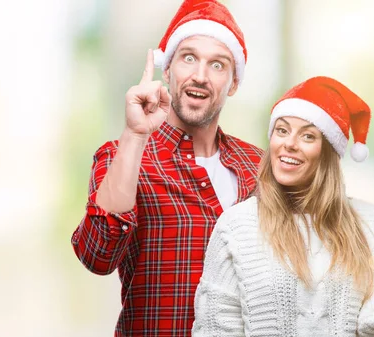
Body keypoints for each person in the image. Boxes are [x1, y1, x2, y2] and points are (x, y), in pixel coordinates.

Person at [70, 0, 263, 335]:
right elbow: (97, 255)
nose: (200, 76)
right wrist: (134, 134)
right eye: (189, 58)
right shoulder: (122, 155)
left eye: (217, 65)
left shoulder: (258, 165)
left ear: (233, 83)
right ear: (168, 69)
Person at [192, 76, 374, 336]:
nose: (289, 143)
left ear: (328, 152)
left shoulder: (368, 222)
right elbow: (214, 329)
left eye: (307, 135)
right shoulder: (236, 226)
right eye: (282, 130)